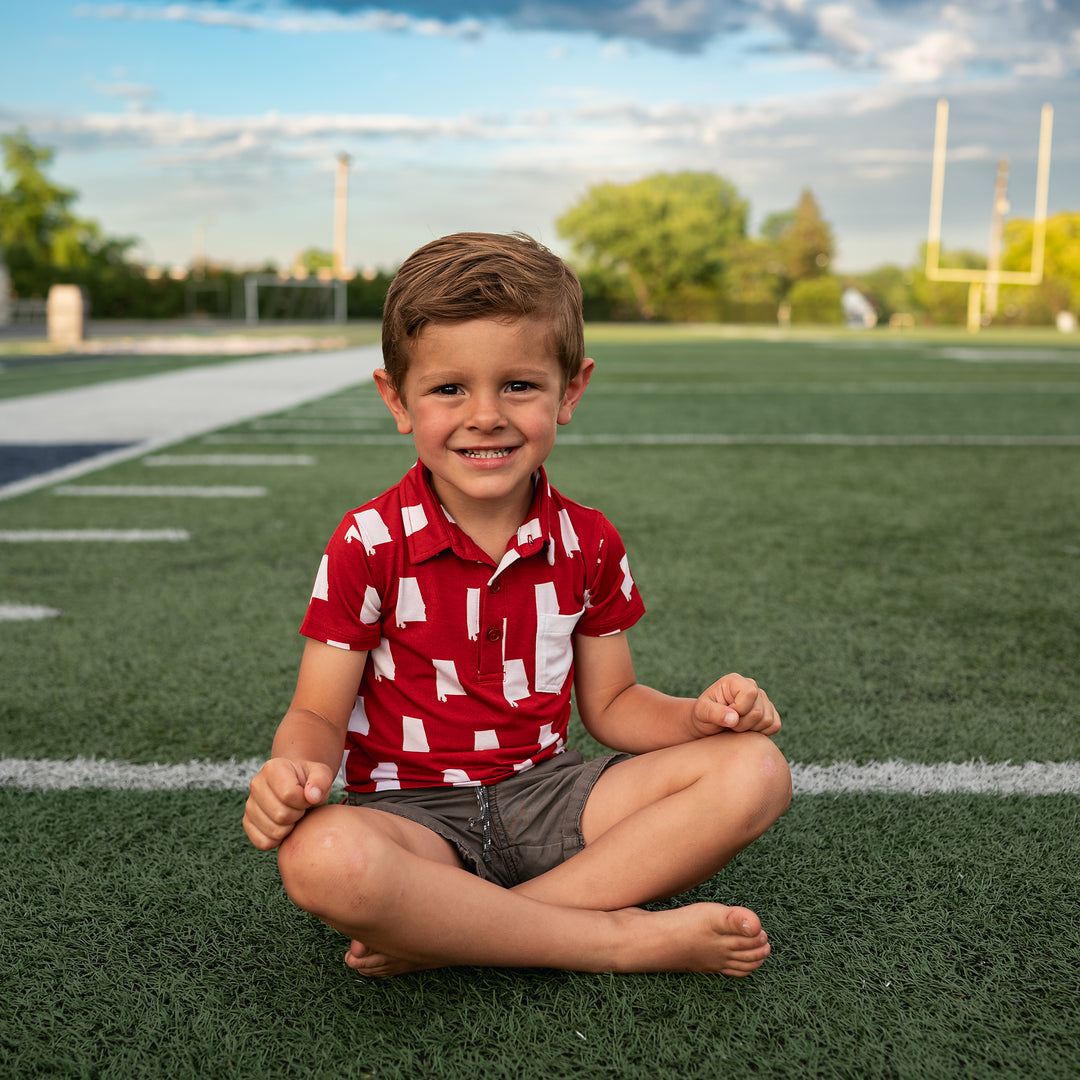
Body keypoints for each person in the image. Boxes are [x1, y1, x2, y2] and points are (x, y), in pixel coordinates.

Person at [242, 232, 791, 977]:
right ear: (396, 399)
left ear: (571, 390)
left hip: (549, 794)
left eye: (519, 386)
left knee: (754, 770)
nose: (485, 415)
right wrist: (294, 773)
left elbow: (615, 704)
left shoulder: (587, 541)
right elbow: (316, 715)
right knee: (323, 857)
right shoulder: (368, 542)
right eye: (448, 389)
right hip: (412, 816)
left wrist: (697, 717)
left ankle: (455, 930)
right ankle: (617, 941)